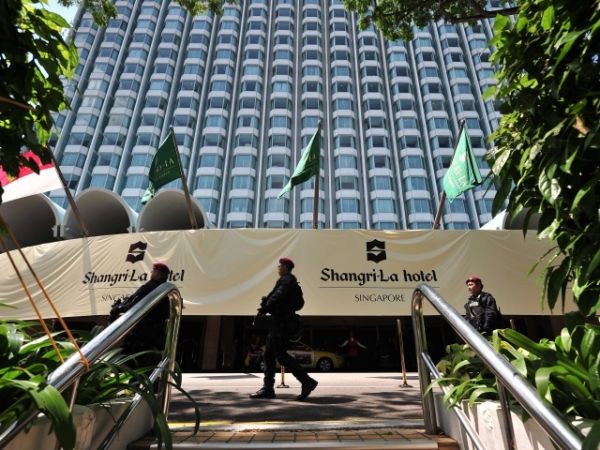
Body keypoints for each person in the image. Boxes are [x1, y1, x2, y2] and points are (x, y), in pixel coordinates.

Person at [250, 257, 318, 401]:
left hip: (281, 323)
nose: (278, 268)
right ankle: (267, 388)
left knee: (280, 355)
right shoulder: (289, 281)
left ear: (285, 267)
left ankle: (307, 381)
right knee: (268, 355)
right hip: (280, 322)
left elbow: (278, 294)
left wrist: (266, 306)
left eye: (280, 266)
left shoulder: (287, 280)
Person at [109, 262, 171, 358]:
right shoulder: (167, 290)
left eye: (153, 271)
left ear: (158, 273)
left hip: (143, 333)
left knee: (130, 358)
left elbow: (135, 305)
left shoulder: (150, 287)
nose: (151, 273)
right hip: (157, 334)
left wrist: (118, 308)